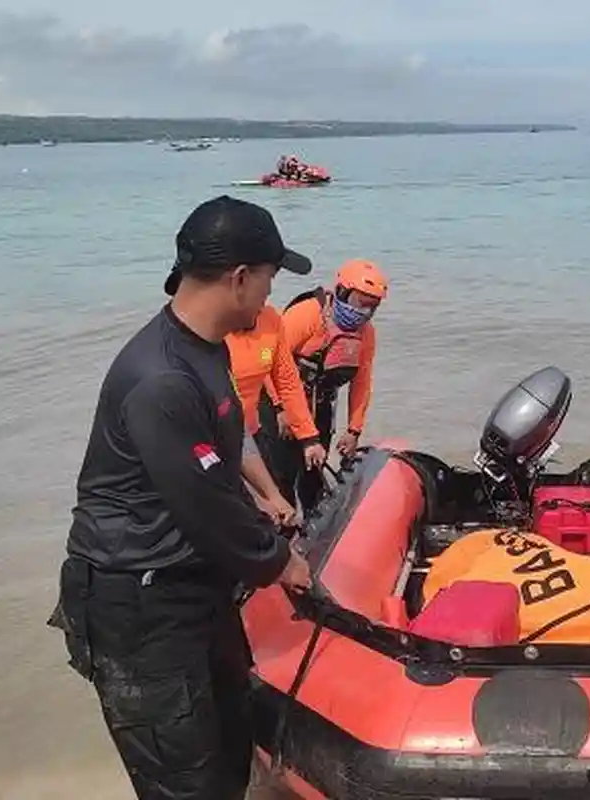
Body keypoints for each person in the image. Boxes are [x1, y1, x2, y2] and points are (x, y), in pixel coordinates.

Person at [50, 195, 314, 800]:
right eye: (271, 279)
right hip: (134, 599)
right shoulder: (161, 377)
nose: (271, 297)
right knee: (183, 783)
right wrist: (279, 561)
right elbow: (204, 503)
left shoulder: (208, 348)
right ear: (240, 278)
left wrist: (266, 499)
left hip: (190, 582)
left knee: (230, 748)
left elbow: (222, 450)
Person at [260, 258, 387, 513]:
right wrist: (279, 407)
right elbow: (266, 358)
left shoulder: (366, 334)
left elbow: (361, 382)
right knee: (281, 472)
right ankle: (281, 525)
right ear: (341, 291)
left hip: (321, 405)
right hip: (279, 400)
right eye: (360, 303)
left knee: (314, 472)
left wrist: (353, 430)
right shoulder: (306, 315)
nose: (364, 312)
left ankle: (315, 527)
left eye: (372, 307)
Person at [226, 301, 327, 526]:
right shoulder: (213, 330)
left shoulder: (270, 319)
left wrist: (309, 438)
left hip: (251, 432)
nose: (268, 291)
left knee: (277, 498)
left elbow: (288, 380)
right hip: (219, 436)